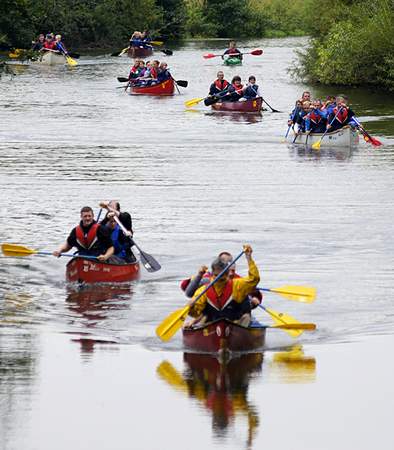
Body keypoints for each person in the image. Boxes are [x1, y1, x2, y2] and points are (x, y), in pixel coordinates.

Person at [184, 245, 260, 328]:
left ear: (227, 273)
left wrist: (249, 258)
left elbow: (254, 279)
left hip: (236, 323)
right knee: (203, 317)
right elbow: (195, 313)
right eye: (216, 275)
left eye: (222, 275)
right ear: (212, 274)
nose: (219, 278)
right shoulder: (204, 290)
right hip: (212, 323)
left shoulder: (238, 284)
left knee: (246, 316)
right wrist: (190, 308)